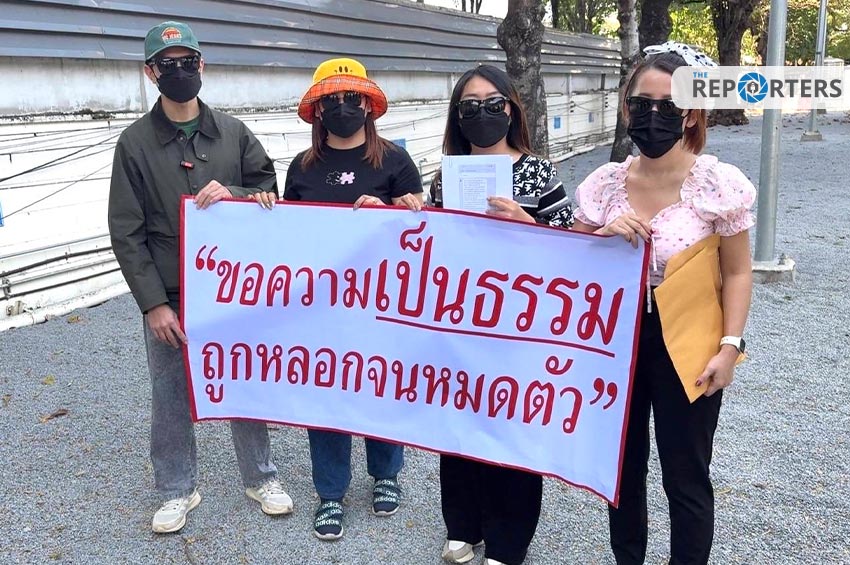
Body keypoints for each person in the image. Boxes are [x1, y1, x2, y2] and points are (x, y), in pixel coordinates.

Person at [572, 42, 755, 565]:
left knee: (686, 472)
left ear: (691, 113)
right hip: (616, 340)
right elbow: (567, 262)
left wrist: (729, 347)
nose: (653, 117)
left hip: (690, 336)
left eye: (668, 106)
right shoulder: (605, 184)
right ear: (626, 108)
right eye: (641, 104)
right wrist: (600, 234)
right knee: (622, 470)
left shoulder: (717, 184)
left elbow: (738, 271)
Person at [108, 21, 292, 534]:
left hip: (232, 289)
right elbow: (126, 230)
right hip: (172, 294)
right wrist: (153, 304)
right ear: (151, 73)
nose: (180, 71)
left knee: (242, 382)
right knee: (169, 394)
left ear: (202, 64)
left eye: (188, 61)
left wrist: (235, 192)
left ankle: (261, 477)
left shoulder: (233, 133)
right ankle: (176, 488)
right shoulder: (135, 144)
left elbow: (268, 190)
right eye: (167, 65)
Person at [253, 57, 423, 540]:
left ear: (368, 105)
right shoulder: (302, 167)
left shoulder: (395, 161)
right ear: (317, 110)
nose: (343, 106)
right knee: (325, 393)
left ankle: (386, 472)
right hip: (319, 307)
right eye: (332, 99)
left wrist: (396, 209)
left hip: (383, 303)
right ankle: (330, 492)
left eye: (352, 97)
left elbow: (421, 232)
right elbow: (287, 237)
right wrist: (264, 210)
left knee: (381, 385)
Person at [428, 64, 573, 565]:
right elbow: (432, 246)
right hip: (460, 321)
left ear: (511, 109)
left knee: (512, 428)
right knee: (457, 424)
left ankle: (509, 541)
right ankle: (462, 525)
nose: (482, 113)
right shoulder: (444, 177)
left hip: (520, 327)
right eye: (469, 105)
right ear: (456, 115)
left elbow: (575, 252)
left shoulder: (538, 172)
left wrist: (527, 222)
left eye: (493, 103)